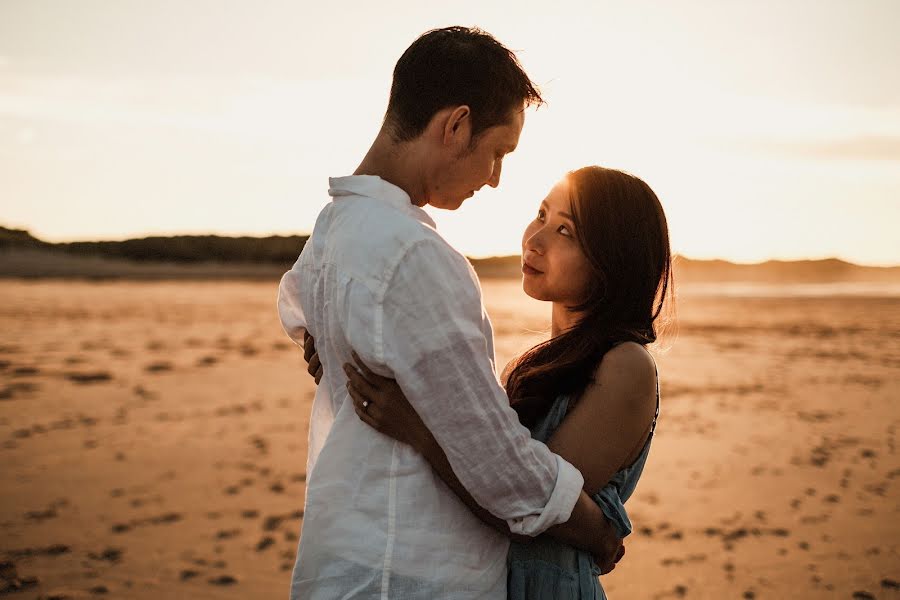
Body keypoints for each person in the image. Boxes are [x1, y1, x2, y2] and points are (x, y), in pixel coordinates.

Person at [277, 27, 623, 599]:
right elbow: (493, 459)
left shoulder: (331, 232)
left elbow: (298, 316)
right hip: (413, 569)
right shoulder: (416, 255)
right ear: (456, 125)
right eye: (497, 153)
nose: (494, 178)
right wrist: (596, 530)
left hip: (345, 554)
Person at [305, 166, 674, 598]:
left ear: (614, 258)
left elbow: (525, 502)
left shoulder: (624, 365)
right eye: (540, 214)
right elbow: (489, 465)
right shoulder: (534, 366)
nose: (534, 240)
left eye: (564, 231)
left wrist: (418, 430)